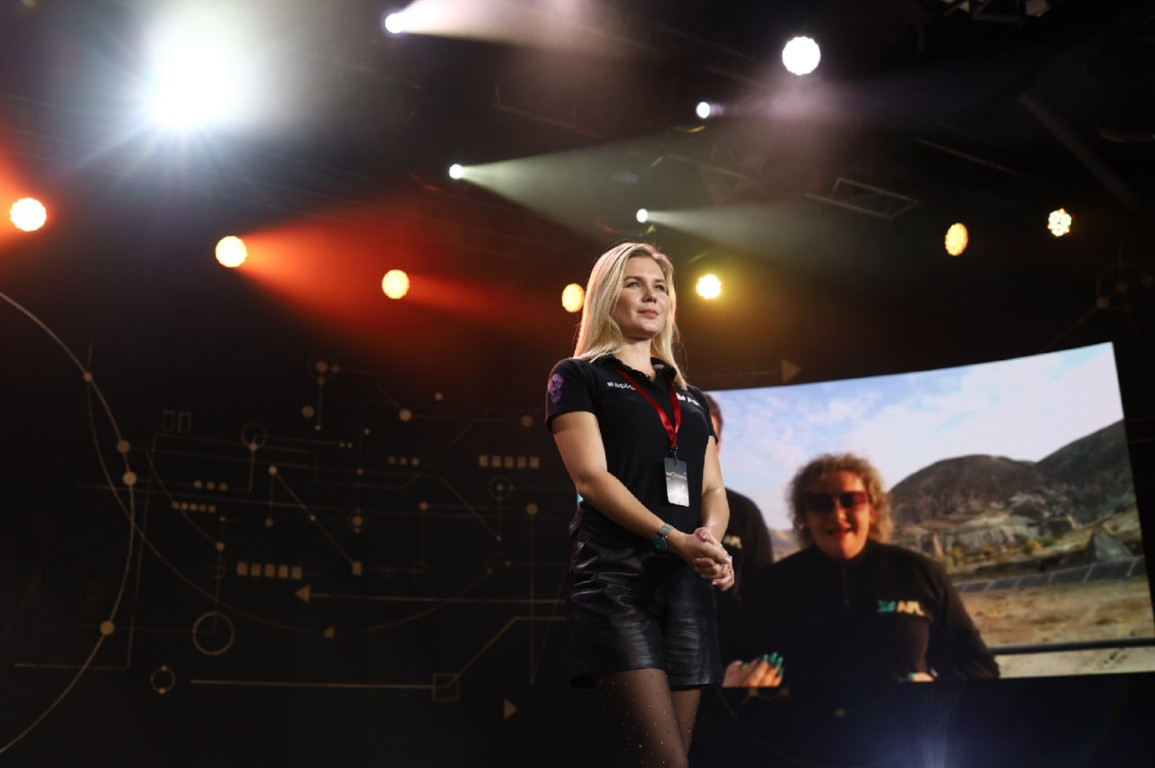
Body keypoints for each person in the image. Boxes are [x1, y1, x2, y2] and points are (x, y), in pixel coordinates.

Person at [546, 242, 734, 768]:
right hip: (616, 581)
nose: (651, 296)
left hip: (685, 587)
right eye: (634, 284)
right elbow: (591, 478)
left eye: (660, 287)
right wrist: (674, 539)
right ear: (608, 296)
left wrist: (709, 541)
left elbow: (713, 491)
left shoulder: (690, 397)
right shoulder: (577, 375)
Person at [725, 452, 998, 690]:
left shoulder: (921, 574)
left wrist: (937, 689)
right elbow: (737, 661)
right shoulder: (772, 584)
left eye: (851, 500)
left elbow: (981, 668)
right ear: (804, 517)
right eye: (820, 503)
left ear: (872, 510)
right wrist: (737, 683)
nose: (837, 514)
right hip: (803, 733)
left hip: (901, 733)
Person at [702, 393, 773, 664]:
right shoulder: (643, 510)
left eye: (708, 437)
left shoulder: (744, 513)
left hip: (730, 666)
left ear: (719, 445)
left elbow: (763, 600)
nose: (697, 444)